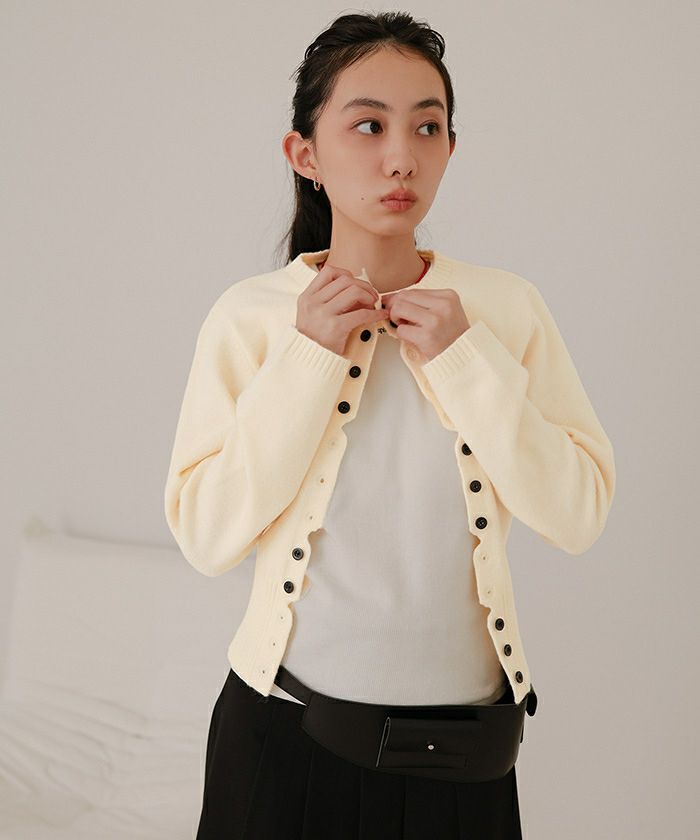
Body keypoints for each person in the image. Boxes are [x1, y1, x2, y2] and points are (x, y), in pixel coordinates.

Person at [163, 11, 616, 840]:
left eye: (427, 127)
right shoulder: (249, 318)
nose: (401, 156)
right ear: (305, 153)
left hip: (466, 760)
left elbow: (578, 513)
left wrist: (464, 359)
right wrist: (306, 358)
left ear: (450, 147)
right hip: (281, 745)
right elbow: (206, 536)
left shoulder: (505, 309)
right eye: (368, 125)